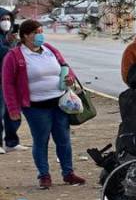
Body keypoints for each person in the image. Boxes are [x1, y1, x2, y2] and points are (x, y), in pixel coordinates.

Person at [1, 20, 86, 189]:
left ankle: (68, 173)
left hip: (60, 103)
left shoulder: (49, 49)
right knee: (41, 140)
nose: (40, 35)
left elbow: (65, 66)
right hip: (36, 107)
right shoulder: (15, 56)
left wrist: (69, 77)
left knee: (63, 139)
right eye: (36, 32)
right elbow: (8, 84)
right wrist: (12, 109)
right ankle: (44, 175)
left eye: (41, 31)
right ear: (26, 35)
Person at [0, 8, 23, 152]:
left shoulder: (10, 35)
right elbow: (5, 53)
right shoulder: (5, 39)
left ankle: (12, 142)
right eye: (3, 19)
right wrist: (11, 45)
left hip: (12, 80)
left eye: (8, 19)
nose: (6, 22)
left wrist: (16, 43)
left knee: (13, 111)